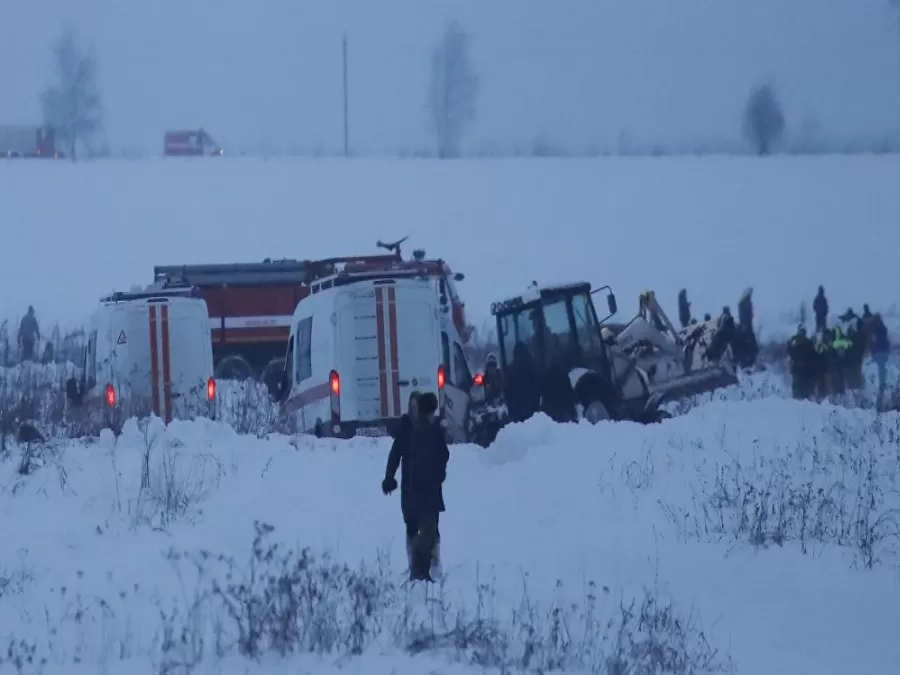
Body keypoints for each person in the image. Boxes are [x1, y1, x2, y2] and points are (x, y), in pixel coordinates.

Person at [382, 391, 449, 582]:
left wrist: (439, 473)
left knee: (431, 527)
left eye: (416, 406)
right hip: (410, 487)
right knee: (412, 526)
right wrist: (389, 477)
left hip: (430, 485)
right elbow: (395, 455)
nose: (414, 410)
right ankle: (415, 564)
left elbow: (442, 454)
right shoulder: (406, 429)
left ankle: (433, 561)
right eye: (411, 406)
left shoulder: (432, 428)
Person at [787, 325, 818, 400]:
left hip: (804, 369)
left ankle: (801, 398)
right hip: (801, 368)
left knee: (802, 387)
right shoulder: (797, 341)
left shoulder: (797, 341)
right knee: (801, 386)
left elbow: (813, 355)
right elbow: (790, 352)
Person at [870, 314, 890, 408]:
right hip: (883, 352)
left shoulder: (876, 330)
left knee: (880, 373)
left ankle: (881, 391)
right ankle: (882, 389)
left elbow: (874, 342)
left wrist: (873, 352)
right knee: (882, 372)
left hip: (879, 352)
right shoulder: (883, 328)